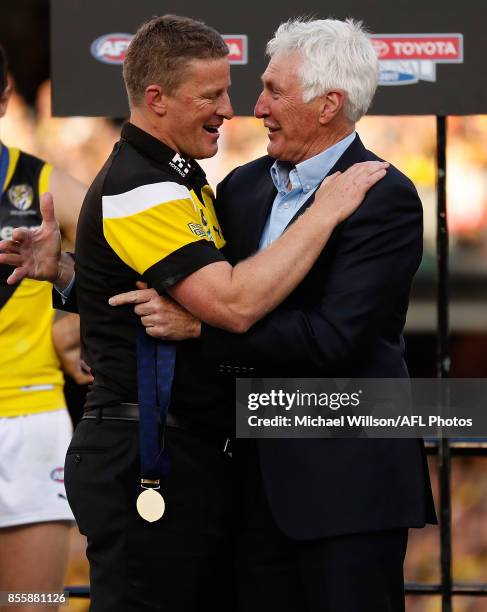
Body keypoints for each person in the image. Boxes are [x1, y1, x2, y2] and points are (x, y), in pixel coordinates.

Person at [0, 16, 387, 611]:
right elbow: (233, 303)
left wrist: (71, 273)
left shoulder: (185, 180)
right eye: (212, 95)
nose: (232, 109)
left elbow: (140, 287)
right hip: (146, 454)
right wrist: (325, 209)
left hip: (199, 456)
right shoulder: (145, 186)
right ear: (156, 99)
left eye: (234, 91)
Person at [109, 18, 438, 612]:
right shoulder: (239, 188)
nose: (253, 107)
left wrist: (204, 332)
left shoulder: (381, 195)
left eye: (274, 91)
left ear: (327, 104)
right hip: (243, 492)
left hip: (345, 493)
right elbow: (178, 282)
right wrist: (66, 276)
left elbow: (332, 339)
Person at [0, 44, 90, 611]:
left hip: (26, 423)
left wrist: (69, 306)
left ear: (4, 94)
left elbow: (127, 258)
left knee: (30, 605)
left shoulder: (43, 184)